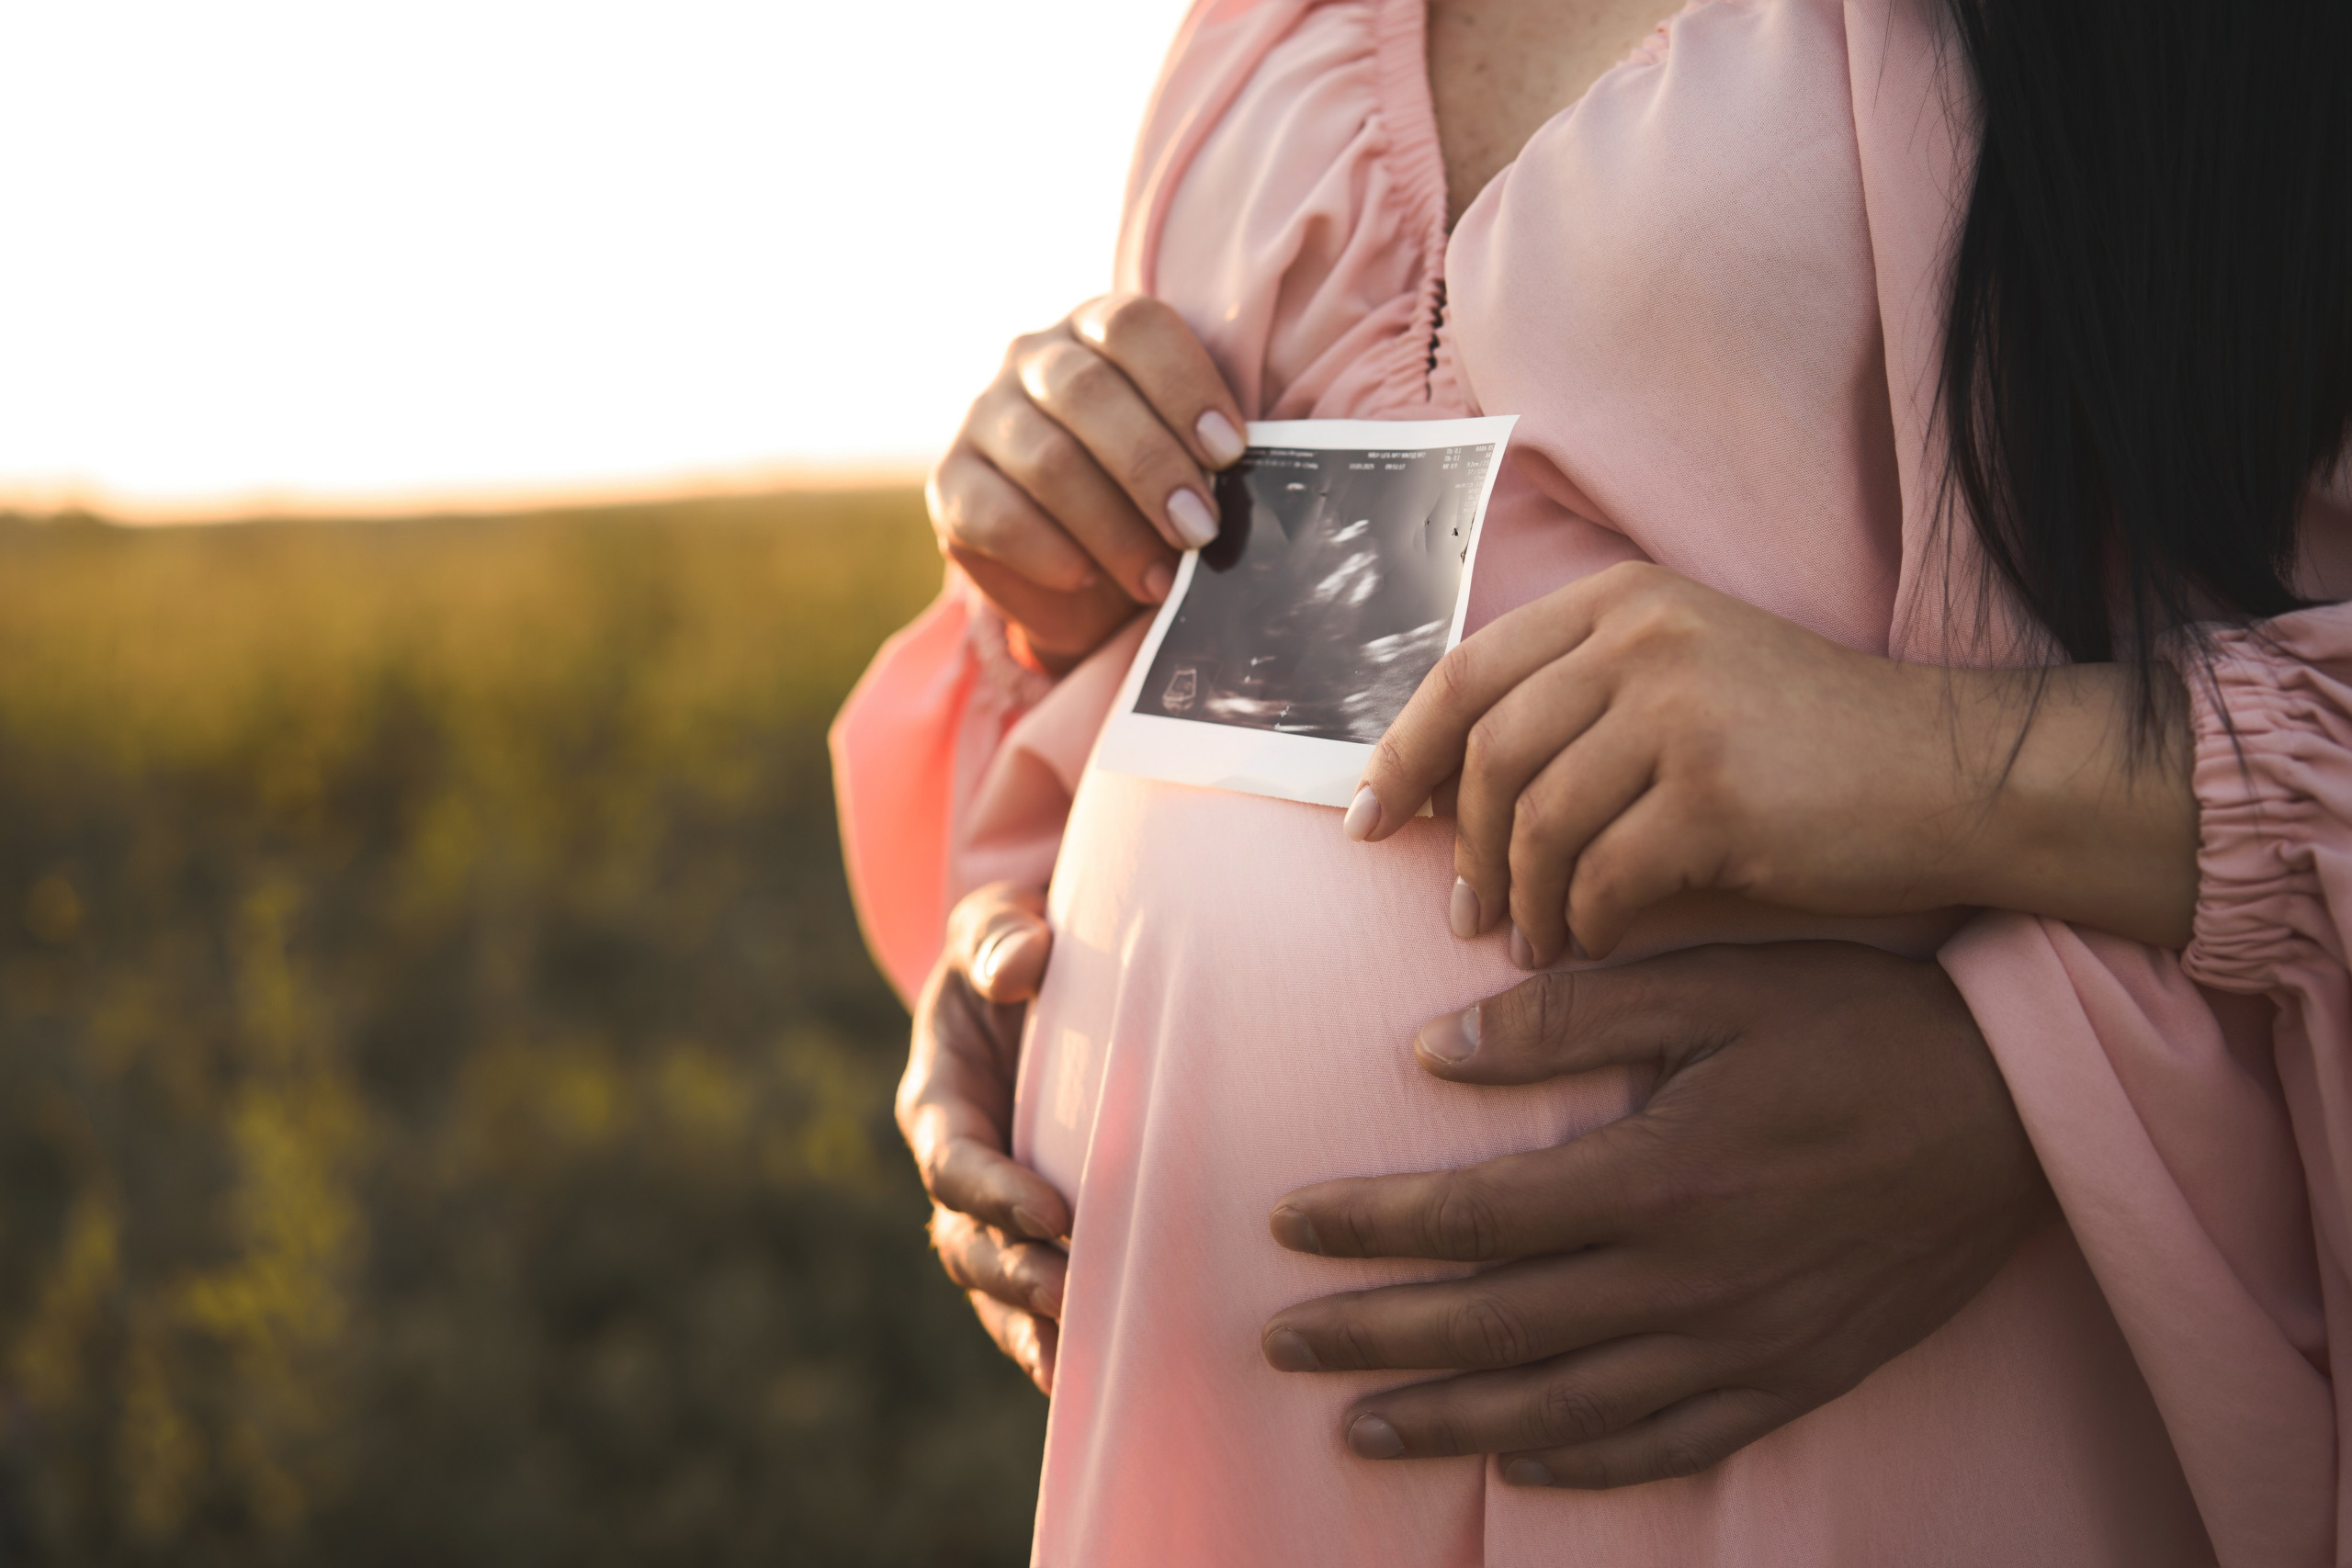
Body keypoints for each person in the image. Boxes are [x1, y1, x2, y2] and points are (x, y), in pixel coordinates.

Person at [831, 0, 2352, 1562]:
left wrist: (2033, 1079)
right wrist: (1042, 913)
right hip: (1231, 1458)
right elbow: (1322, 650)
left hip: (1847, 1420)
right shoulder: (1260, 40)